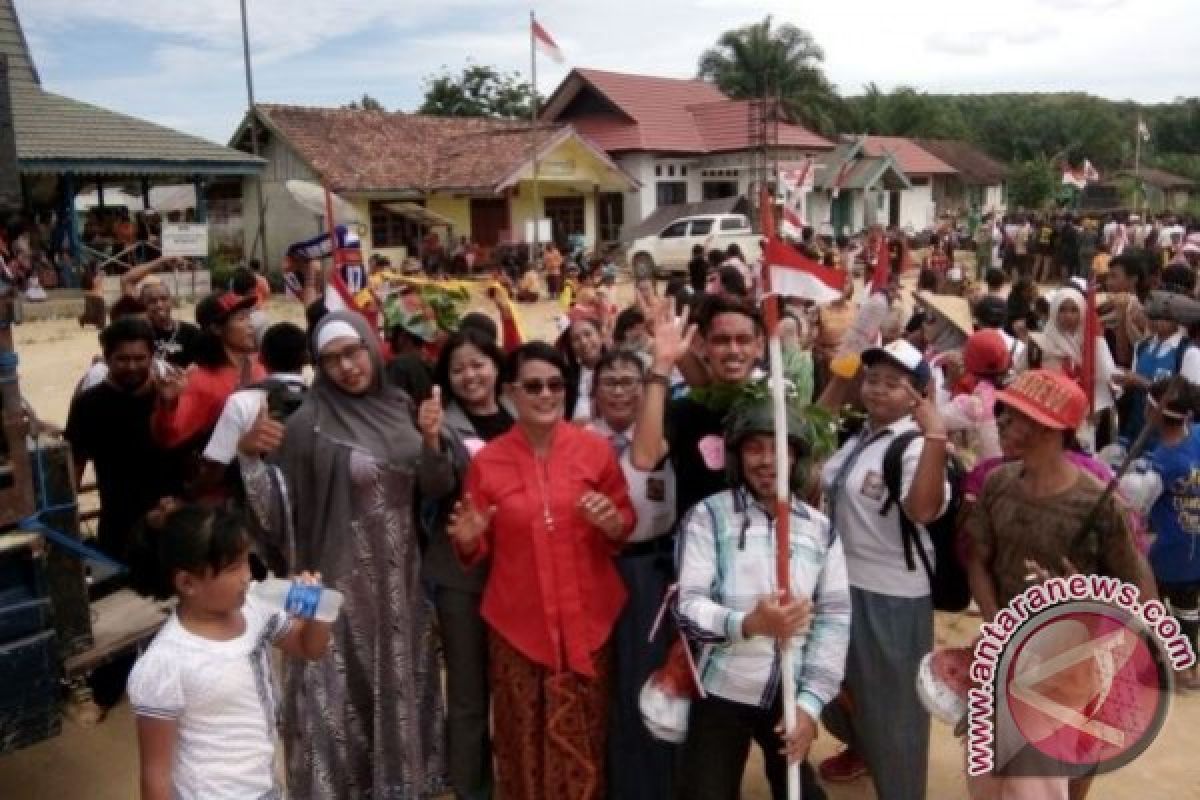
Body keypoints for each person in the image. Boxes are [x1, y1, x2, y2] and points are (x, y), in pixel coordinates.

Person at [239, 311, 455, 799]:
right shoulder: (307, 425)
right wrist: (249, 459)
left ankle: (398, 784)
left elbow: (435, 487)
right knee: (332, 695)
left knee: (395, 678)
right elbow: (276, 512)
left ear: (371, 347)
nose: (347, 367)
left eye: (353, 352)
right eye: (331, 359)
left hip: (400, 580)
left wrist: (431, 440)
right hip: (336, 579)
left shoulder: (401, 405)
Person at [447, 341, 635, 800]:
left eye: (556, 384)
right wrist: (469, 539)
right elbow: (475, 546)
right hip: (519, 631)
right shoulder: (488, 462)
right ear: (511, 391)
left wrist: (613, 522)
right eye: (533, 385)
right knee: (520, 739)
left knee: (588, 739)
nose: (546, 394)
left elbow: (622, 521)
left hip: (588, 625)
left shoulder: (594, 452)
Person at [963, 369, 1154, 798]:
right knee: (987, 783)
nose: (1005, 425)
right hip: (1001, 659)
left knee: (1040, 787)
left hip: (1066, 672)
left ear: (1053, 430)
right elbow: (979, 559)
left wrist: (1087, 599)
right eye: (1006, 415)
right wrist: (1000, 631)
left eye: (1018, 418)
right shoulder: (996, 484)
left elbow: (1140, 599)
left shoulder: (1102, 508)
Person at [676, 390, 849, 800]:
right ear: (737, 457)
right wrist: (749, 624)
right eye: (754, 448)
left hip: (789, 694)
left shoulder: (820, 530)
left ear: (797, 456)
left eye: (779, 449)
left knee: (799, 793)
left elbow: (834, 622)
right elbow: (687, 607)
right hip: (721, 689)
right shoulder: (708, 516)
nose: (767, 461)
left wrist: (810, 705)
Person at [126, 505, 332, 800]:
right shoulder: (165, 664)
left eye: (247, 562)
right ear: (187, 583)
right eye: (233, 568)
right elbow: (155, 776)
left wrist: (319, 612)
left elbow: (309, 647)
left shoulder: (255, 608)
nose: (247, 576)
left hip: (264, 789)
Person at [818, 339, 949, 800]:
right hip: (840, 584)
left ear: (918, 394)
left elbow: (923, 510)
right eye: (871, 380)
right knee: (836, 689)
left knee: (895, 714)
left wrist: (936, 435)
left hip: (890, 596)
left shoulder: (912, 448)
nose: (876, 391)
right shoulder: (860, 436)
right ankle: (863, 751)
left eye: (893, 384)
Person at [426, 329, 515, 800]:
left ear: (497, 366)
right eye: (459, 369)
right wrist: (430, 442)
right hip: (463, 578)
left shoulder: (524, 412)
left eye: (478, 364)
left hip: (520, 574)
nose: (470, 375)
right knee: (468, 692)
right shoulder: (442, 426)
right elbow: (435, 489)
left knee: (519, 688)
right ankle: (472, 787)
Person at [586, 350, 677, 800]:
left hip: (650, 573)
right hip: (595, 569)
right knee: (604, 681)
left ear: (646, 389)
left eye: (629, 382)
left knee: (647, 678)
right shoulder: (579, 440)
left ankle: (648, 785)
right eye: (610, 382)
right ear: (595, 390)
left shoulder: (661, 435)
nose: (620, 391)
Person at [65, 317, 183, 565]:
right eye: (122, 359)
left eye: (140, 358)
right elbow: (74, 466)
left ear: (152, 358)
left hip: (174, 525)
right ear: (106, 359)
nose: (132, 366)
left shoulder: (171, 396)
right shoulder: (89, 405)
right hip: (119, 529)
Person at [198, 322, 309, 531]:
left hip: (250, 521)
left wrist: (191, 491)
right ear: (306, 358)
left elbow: (216, 465)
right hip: (308, 520)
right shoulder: (322, 404)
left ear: (262, 358)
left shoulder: (242, 401)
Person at [152, 291, 265, 466]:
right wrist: (169, 404)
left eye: (249, 317)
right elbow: (171, 436)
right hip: (222, 486)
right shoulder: (201, 381)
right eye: (241, 319)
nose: (250, 325)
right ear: (217, 328)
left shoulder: (260, 366)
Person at [1139, 379, 1200, 690]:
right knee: (1188, 605)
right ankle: (1189, 666)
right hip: (1194, 542)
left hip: (1167, 546)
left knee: (1155, 606)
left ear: (1154, 412)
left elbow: (1140, 504)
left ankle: (1169, 665)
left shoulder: (1160, 462)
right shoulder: (1199, 437)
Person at [560, 313, 606, 421]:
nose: (583, 342)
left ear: (601, 336)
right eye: (576, 339)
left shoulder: (620, 371)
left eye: (588, 334)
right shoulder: (568, 379)